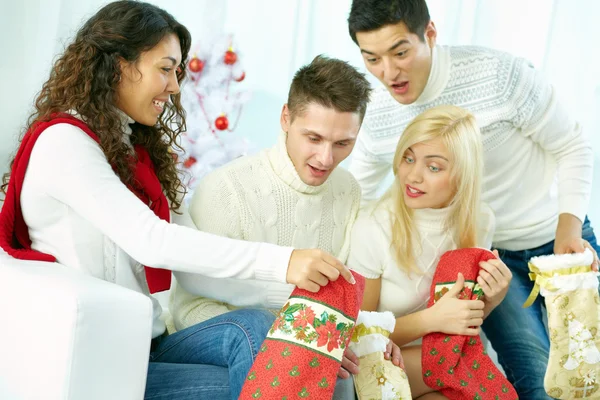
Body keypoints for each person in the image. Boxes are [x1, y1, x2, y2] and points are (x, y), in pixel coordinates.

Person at [0, 2, 355, 399]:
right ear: (119, 64)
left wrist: (306, 321)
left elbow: (195, 273)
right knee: (272, 378)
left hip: (147, 347)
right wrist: (283, 260)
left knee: (260, 332)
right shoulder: (65, 143)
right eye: (165, 69)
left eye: (177, 72)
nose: (174, 86)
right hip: (101, 362)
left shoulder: (128, 150)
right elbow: (151, 239)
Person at [346, 0, 599, 397]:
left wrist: (568, 229)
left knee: (589, 370)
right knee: (535, 380)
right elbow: (351, 195)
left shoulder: (498, 74)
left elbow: (573, 144)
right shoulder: (376, 116)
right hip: (492, 255)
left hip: (558, 235)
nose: (389, 73)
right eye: (372, 58)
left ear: (429, 33)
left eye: (400, 52)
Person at [169, 54, 394, 399]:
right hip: (209, 335)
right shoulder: (226, 188)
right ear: (286, 118)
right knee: (257, 330)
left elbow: (336, 297)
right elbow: (190, 306)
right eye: (314, 138)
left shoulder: (347, 190)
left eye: (342, 143)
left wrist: (365, 337)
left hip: (296, 342)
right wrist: (301, 340)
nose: (326, 159)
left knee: (347, 371)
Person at [349, 105, 512, 399]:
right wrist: (430, 320)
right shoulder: (373, 226)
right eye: (408, 159)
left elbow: (462, 323)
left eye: (433, 167)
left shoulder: (481, 221)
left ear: (463, 174)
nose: (413, 176)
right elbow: (359, 336)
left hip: (444, 366)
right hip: (383, 367)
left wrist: (493, 300)